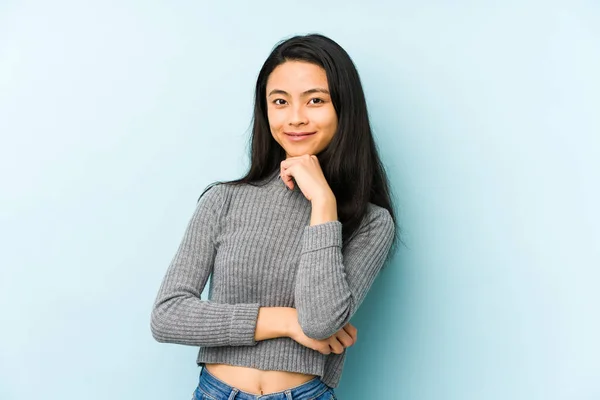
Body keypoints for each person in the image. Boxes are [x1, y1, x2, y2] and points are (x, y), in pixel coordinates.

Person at [150, 33, 399, 400]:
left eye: (315, 100)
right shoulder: (224, 200)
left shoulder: (372, 222)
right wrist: (284, 322)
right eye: (280, 101)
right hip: (217, 392)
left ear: (344, 109)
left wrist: (323, 203)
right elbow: (167, 315)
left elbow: (319, 322)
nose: (295, 118)